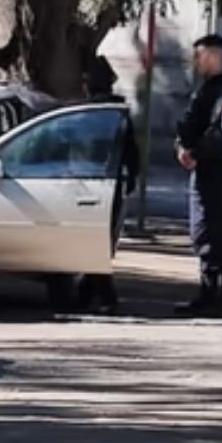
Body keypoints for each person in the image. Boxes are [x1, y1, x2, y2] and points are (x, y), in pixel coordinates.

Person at [174, 35, 222, 317]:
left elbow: (221, 134)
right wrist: (181, 147)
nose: (195, 62)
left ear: (214, 56)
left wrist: (196, 151)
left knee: (218, 234)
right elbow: (189, 124)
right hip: (203, 171)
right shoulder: (204, 90)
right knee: (202, 233)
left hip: (220, 174)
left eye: (199, 56)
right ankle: (208, 293)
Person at [75, 56, 139, 315]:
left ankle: (104, 296)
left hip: (90, 183)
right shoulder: (118, 114)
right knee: (98, 241)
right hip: (111, 184)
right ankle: (87, 294)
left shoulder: (90, 114)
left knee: (94, 243)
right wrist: (131, 179)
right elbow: (132, 154)